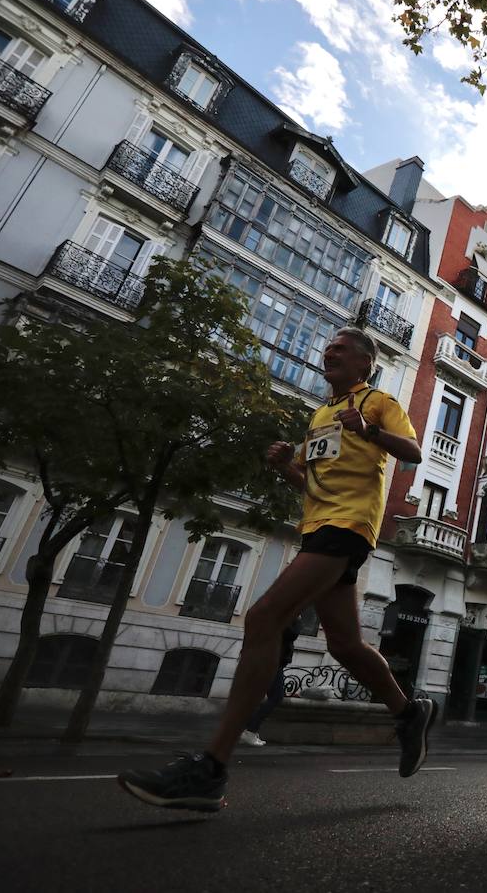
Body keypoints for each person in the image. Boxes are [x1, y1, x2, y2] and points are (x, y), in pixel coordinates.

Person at [119, 328, 433, 811]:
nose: (329, 351)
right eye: (327, 346)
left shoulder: (378, 402)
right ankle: (409, 712)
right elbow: (310, 481)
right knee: (345, 645)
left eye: (342, 349)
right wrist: (287, 464)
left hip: (349, 526)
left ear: (365, 364)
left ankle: (211, 767)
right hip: (317, 525)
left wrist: (368, 430)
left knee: (264, 618)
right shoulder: (320, 414)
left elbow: (412, 454)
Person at [240, 616, 303, 747]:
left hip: (266, 658)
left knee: (256, 695)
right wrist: (296, 618)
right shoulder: (284, 615)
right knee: (276, 696)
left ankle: (246, 728)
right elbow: (292, 634)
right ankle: (250, 730)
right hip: (271, 660)